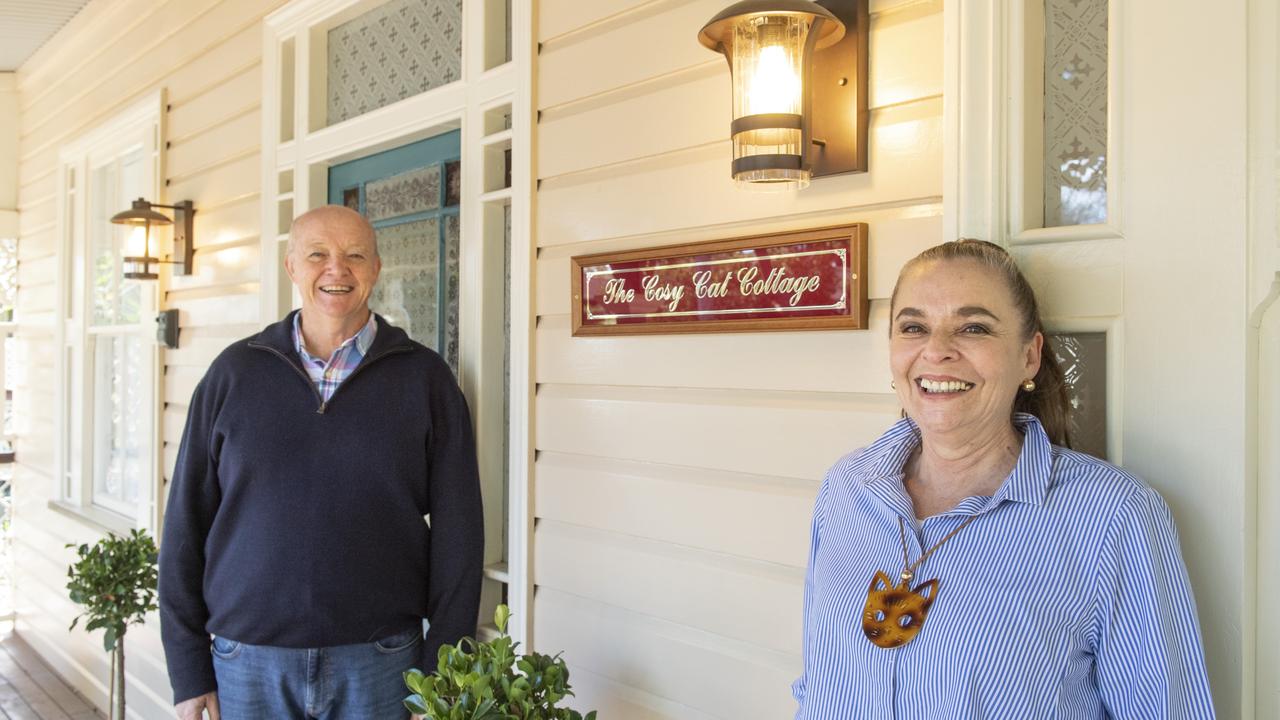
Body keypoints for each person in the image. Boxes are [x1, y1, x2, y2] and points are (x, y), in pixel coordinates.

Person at [792, 239, 1215, 718]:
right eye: (914, 327)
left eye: (973, 327)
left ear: (1029, 357)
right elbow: (818, 688)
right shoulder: (847, 488)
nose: (936, 351)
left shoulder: (1113, 517)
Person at [159, 205, 484, 720]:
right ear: (292, 267)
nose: (337, 269)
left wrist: (442, 672)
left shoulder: (425, 380)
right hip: (247, 661)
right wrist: (187, 668)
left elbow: (459, 533)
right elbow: (184, 525)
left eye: (355, 255)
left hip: (381, 662)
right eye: (318, 255)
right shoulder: (234, 375)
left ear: (376, 268)